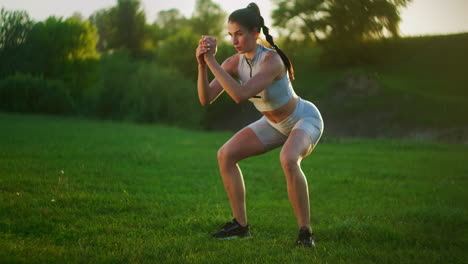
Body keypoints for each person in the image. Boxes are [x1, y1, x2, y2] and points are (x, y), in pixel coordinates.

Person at [195, 2, 324, 247]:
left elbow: (240, 95)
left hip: (303, 119)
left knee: (288, 159)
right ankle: (241, 226)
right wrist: (202, 64)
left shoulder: (271, 61)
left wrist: (212, 61)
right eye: (231, 35)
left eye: (239, 34)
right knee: (226, 155)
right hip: (273, 123)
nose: (234, 41)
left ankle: (305, 233)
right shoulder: (235, 62)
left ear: (255, 32)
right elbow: (205, 98)